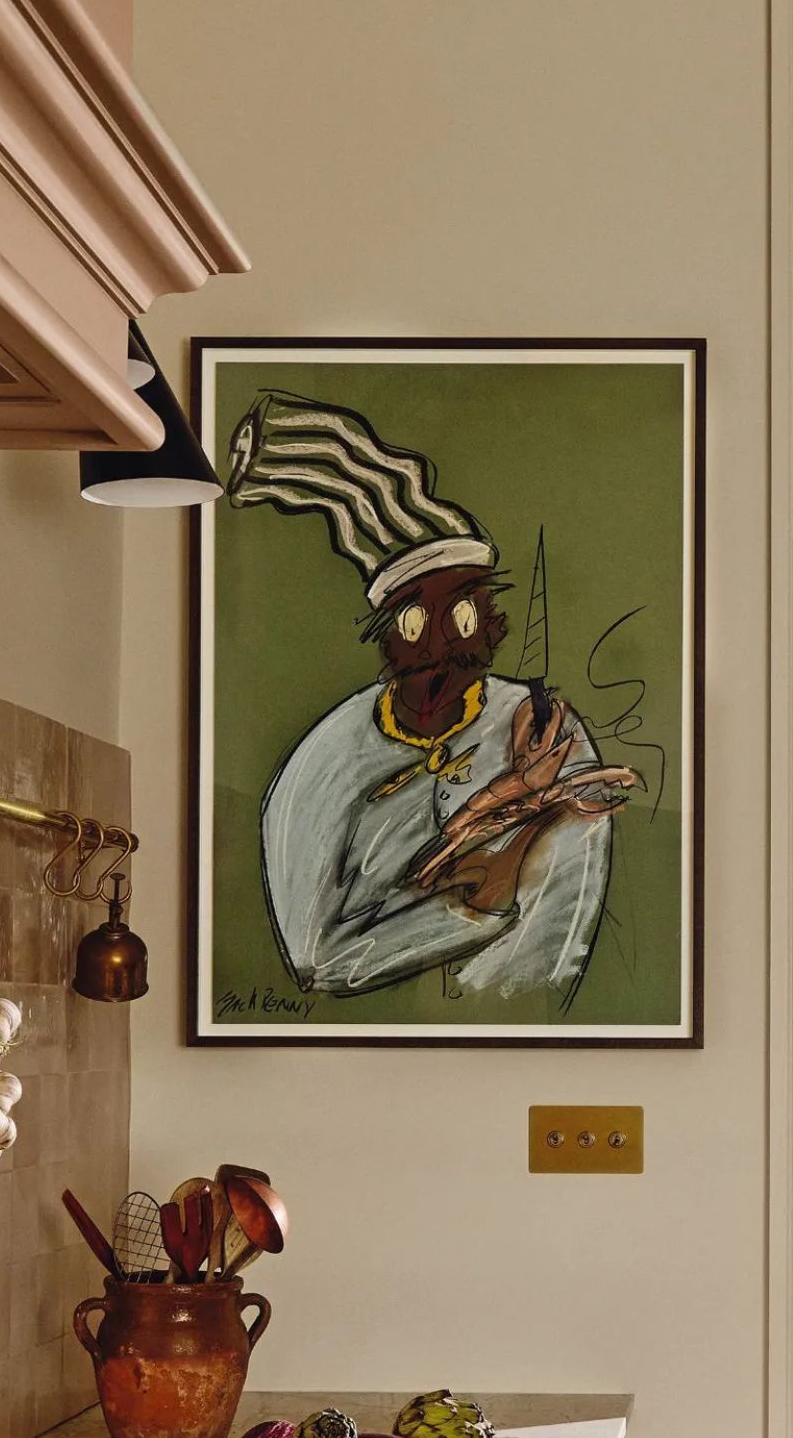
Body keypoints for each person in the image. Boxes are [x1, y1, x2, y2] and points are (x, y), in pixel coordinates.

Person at [225, 391, 635, 1002]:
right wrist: (480, 904)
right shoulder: (324, 760)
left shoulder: (544, 728)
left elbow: (557, 931)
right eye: (418, 623)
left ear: (490, 620)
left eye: (466, 613)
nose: (445, 643)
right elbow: (316, 961)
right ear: (389, 637)